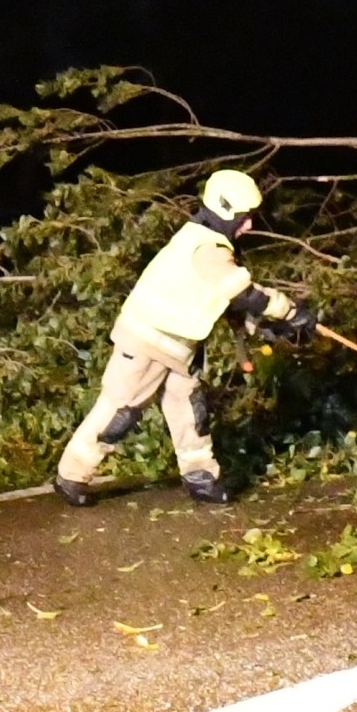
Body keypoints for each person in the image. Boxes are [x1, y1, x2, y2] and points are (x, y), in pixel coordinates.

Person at [54, 168, 309, 507]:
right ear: (225, 209)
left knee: (191, 411)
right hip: (147, 341)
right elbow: (243, 293)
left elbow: (221, 301)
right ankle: (72, 475)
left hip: (177, 347)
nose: (249, 225)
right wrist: (290, 312)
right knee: (119, 411)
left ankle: (200, 477)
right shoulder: (207, 248)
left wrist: (263, 325)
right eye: (245, 218)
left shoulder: (204, 240)